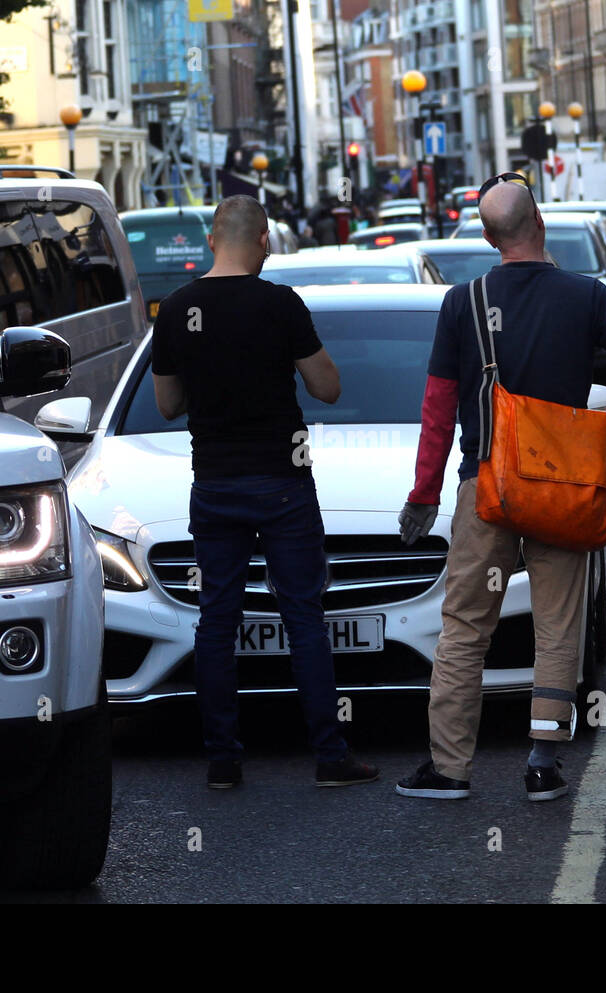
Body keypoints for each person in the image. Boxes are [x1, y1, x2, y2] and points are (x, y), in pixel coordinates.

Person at [393, 173, 606, 801]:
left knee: (466, 626)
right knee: (558, 625)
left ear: (489, 237)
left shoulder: (462, 303)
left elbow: (437, 409)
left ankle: (449, 768)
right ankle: (544, 761)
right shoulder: (585, 296)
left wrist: (422, 493)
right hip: (563, 488)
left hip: (487, 488)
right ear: (540, 223)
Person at [151, 194, 378, 790]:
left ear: (211, 242)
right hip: (282, 483)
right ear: (264, 241)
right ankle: (330, 757)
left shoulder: (176, 309)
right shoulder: (280, 304)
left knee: (216, 620)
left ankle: (223, 760)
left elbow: (168, 404)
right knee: (303, 615)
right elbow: (327, 387)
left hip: (216, 484)